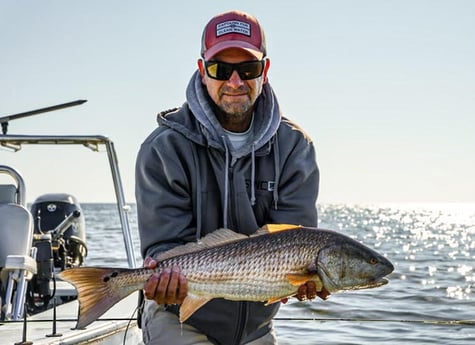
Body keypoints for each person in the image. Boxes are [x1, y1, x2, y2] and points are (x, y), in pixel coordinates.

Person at [135, 10, 325, 345]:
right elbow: (163, 244)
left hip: (257, 327)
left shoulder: (295, 146)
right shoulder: (162, 148)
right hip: (179, 318)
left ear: (264, 71)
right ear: (202, 71)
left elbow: (297, 240)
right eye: (220, 69)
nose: (234, 82)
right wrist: (166, 278)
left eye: (247, 69)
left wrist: (302, 279)